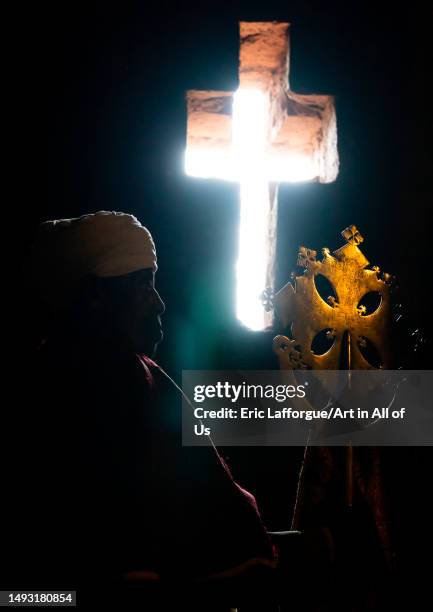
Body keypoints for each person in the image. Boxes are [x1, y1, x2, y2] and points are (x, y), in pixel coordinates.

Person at [18, 211, 276, 604]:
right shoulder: (104, 379)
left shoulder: (94, 369)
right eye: (143, 287)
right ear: (95, 299)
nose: (159, 305)